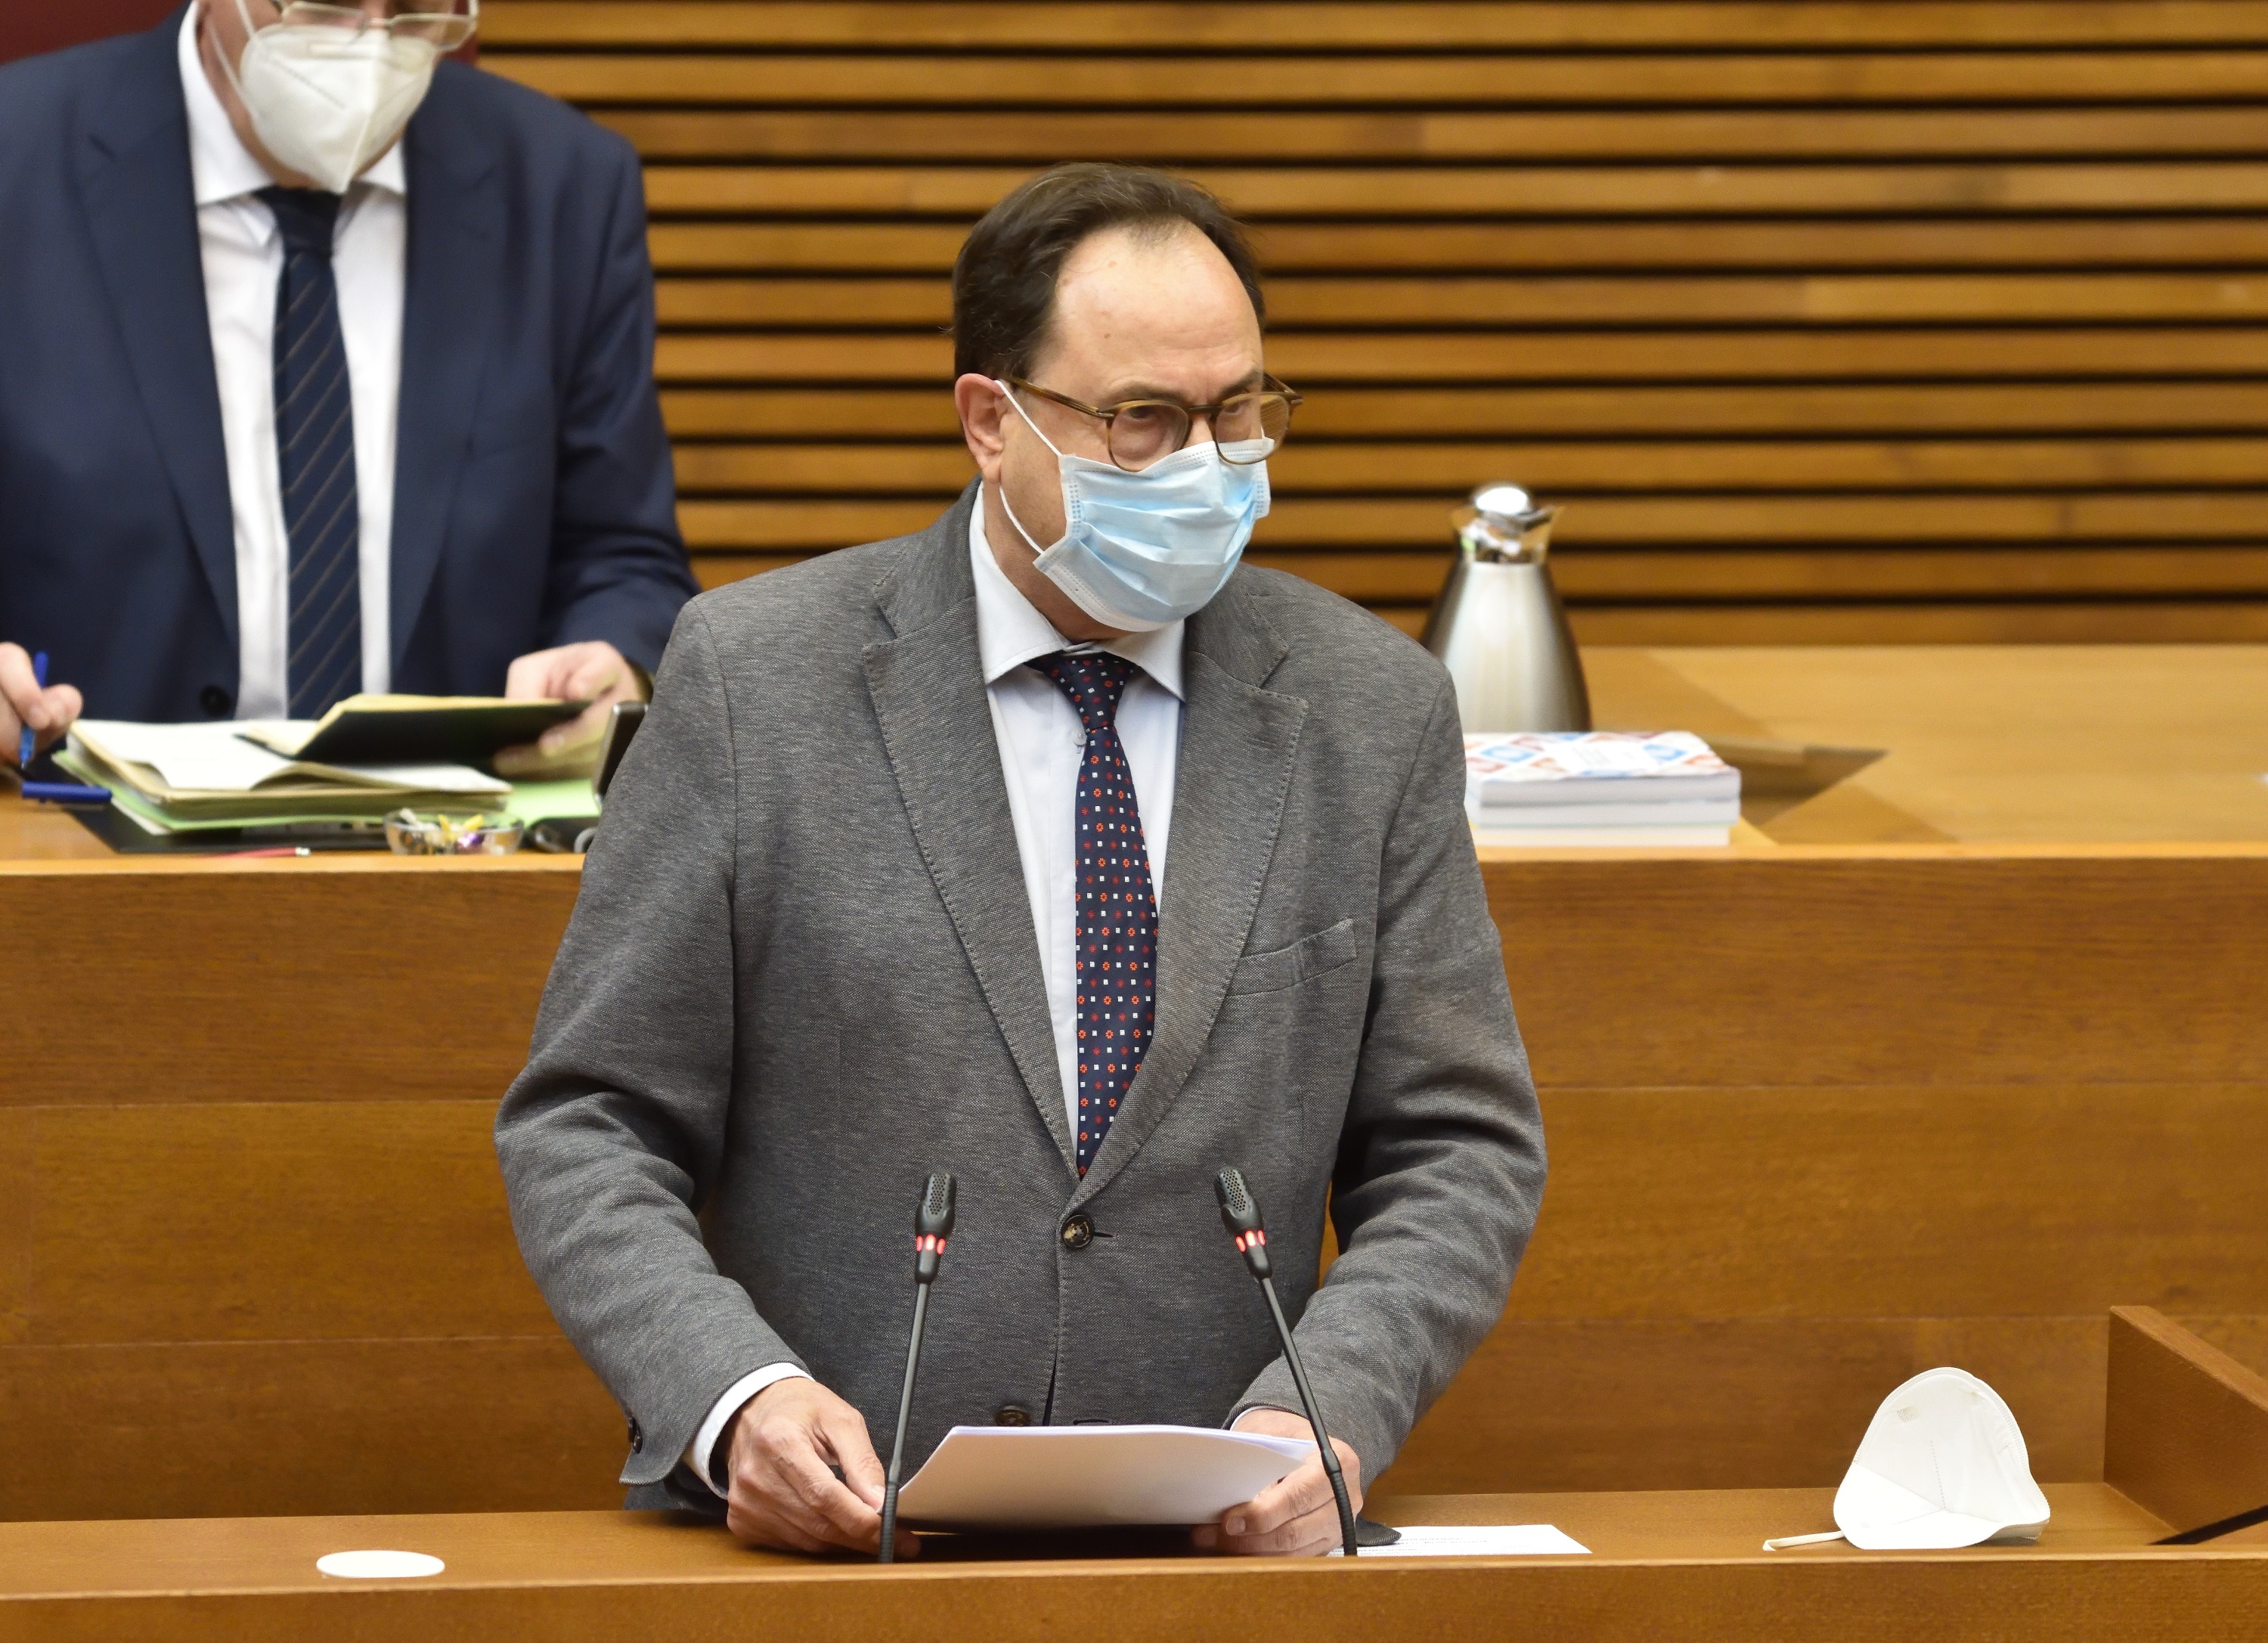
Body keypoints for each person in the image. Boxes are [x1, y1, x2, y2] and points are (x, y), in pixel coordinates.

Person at [496, 163, 1547, 1558]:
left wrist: (1329, 1407)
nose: (1207, 465)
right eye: (1143, 422)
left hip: (1221, 1554)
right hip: (842, 1546)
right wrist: (732, 1397)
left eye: (1241, 413)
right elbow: (590, 1120)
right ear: (991, 421)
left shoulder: (1370, 705)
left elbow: (1457, 1143)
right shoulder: (761, 678)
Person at [0, 0, 696, 777]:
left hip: (447, 855)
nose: (367, 42)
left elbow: (623, 555)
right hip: (75, 846)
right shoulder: (15, 161)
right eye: (321, 2)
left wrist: (614, 660)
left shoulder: (565, 188)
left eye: (412, 11)